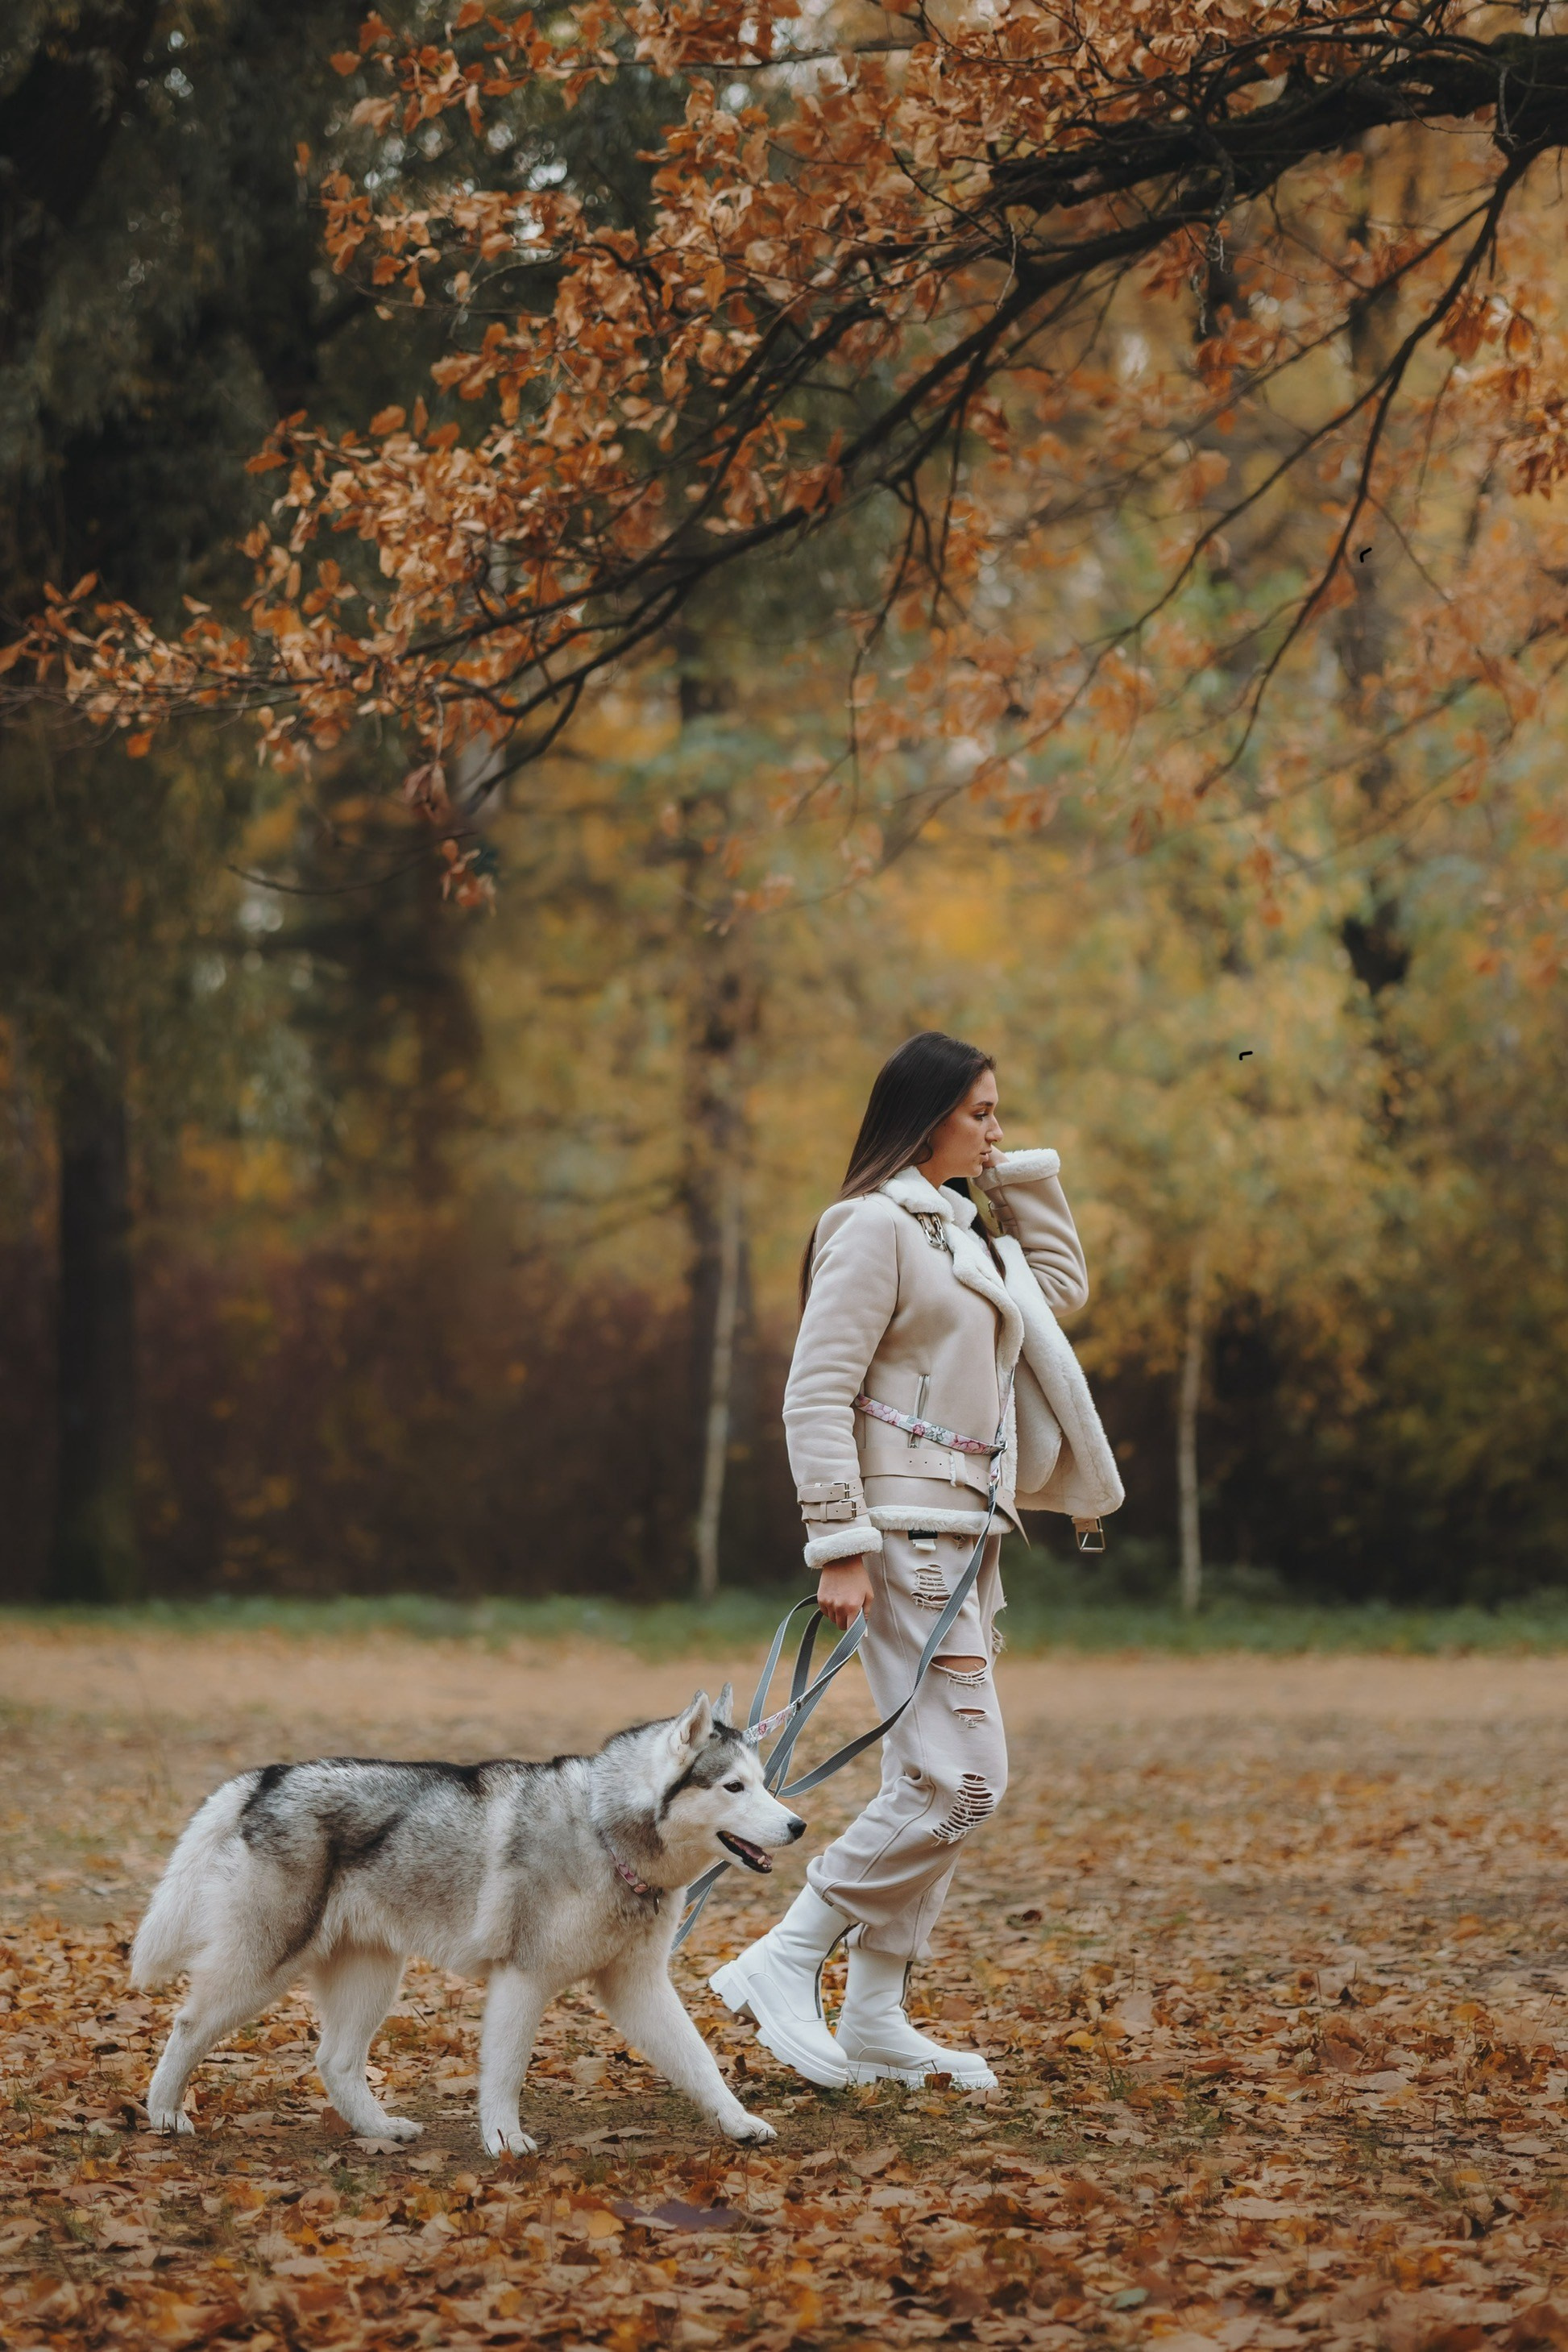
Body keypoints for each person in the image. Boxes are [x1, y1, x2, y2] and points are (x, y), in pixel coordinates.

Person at [710, 1031, 1115, 2091]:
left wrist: (1015, 1175)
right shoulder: (871, 1228)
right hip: (903, 1536)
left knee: (927, 1775)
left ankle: (877, 2013)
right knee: (967, 1782)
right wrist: (839, 1544)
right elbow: (815, 1392)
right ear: (924, 1113)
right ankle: (783, 1959)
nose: (995, 1128)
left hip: (970, 1537)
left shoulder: (967, 1235)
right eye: (980, 1112)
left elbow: (1060, 1291)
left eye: (998, 1112)